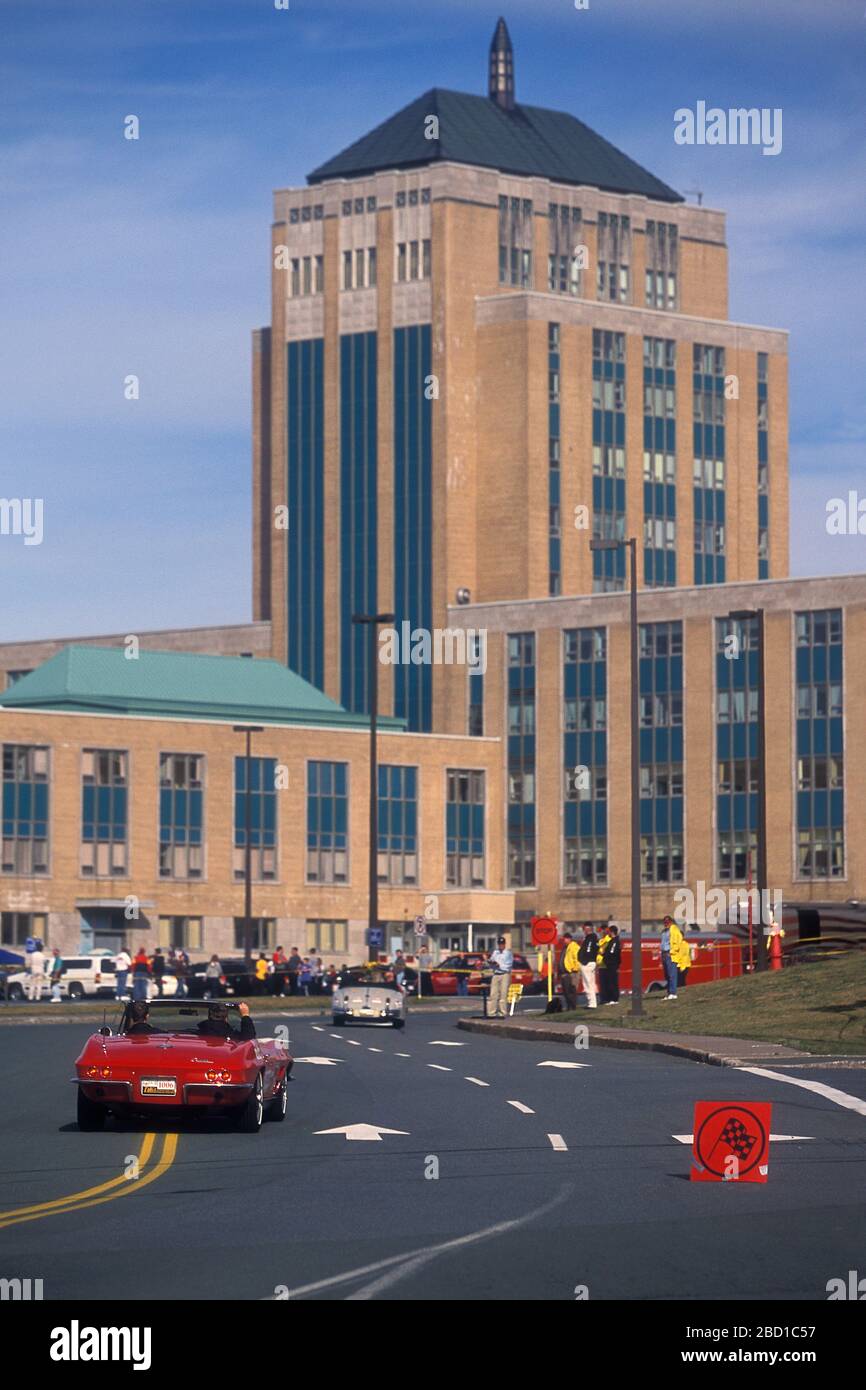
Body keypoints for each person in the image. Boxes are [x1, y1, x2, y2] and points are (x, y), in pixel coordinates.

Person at [487, 936, 513, 1018]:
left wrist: (499, 965)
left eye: (502, 944)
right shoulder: (495, 952)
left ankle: (503, 1012)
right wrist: (491, 962)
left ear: (504, 944)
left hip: (504, 974)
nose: (501, 945)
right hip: (496, 974)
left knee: (503, 994)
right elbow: (491, 961)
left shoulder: (508, 953)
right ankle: (491, 1012)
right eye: (499, 944)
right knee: (493, 994)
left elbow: (508, 965)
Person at [578, 922, 599, 1009]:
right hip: (590, 962)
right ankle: (592, 1002)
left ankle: (592, 1003)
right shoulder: (593, 938)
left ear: (587, 929)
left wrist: (584, 961)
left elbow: (588, 950)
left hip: (587, 963)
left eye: (584, 929)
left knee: (588, 983)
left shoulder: (590, 939)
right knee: (591, 983)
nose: (583, 931)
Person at [558, 932, 580, 1011]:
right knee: (566, 991)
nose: (563, 941)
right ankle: (569, 1006)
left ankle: (572, 1007)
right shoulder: (565, 948)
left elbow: (577, 958)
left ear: (569, 939)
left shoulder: (574, 947)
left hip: (571, 972)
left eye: (565, 939)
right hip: (564, 973)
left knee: (571, 990)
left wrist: (575, 968)